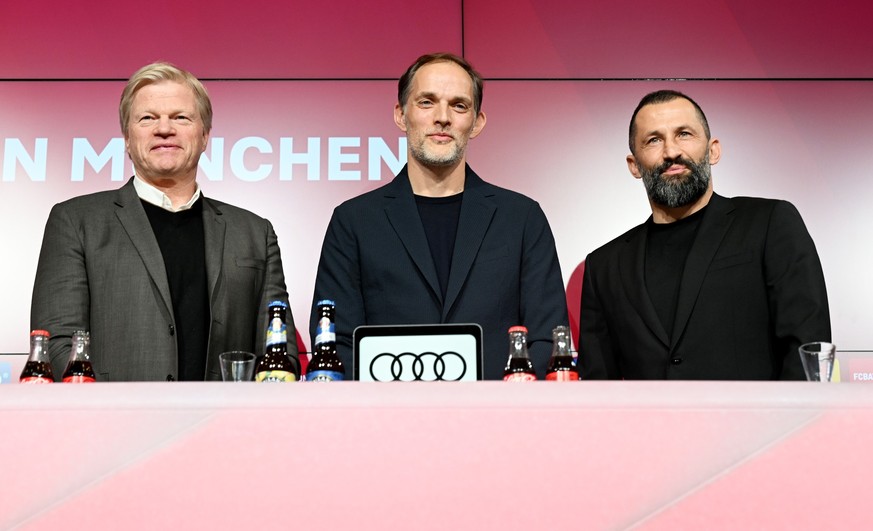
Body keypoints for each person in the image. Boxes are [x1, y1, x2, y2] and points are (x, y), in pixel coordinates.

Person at [30, 61, 296, 381]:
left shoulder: (254, 233)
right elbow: (58, 345)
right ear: (127, 138)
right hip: (113, 426)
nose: (164, 129)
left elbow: (278, 352)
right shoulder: (76, 222)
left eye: (181, 117)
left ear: (205, 135)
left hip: (226, 427)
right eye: (147, 118)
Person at [311, 53, 568, 380]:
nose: (443, 117)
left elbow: (547, 335)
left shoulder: (522, 218)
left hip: (499, 420)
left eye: (459, 105)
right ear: (401, 115)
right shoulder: (353, 222)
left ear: (477, 122)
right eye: (427, 102)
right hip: (387, 421)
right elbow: (335, 340)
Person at [578, 89, 830, 380]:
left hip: (759, 425)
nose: (671, 151)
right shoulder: (604, 266)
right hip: (649, 426)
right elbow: (598, 388)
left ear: (713, 150)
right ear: (634, 165)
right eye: (654, 140)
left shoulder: (770, 223)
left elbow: (807, 349)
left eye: (684, 134)